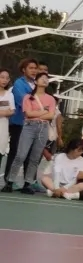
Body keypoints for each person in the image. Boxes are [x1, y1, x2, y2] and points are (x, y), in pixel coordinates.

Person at [8, 72, 57, 193]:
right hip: (29, 127)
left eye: (46, 78)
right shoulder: (28, 97)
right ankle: (10, 181)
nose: (45, 80)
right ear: (36, 82)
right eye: (42, 78)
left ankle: (27, 183)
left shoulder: (51, 99)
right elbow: (28, 114)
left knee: (35, 157)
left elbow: (51, 115)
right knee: (21, 155)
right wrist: (44, 111)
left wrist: (38, 114)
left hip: (43, 128)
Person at [2, 58, 38, 190]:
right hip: (19, 123)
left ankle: (28, 183)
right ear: (24, 70)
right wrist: (38, 106)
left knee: (31, 154)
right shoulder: (19, 83)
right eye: (31, 68)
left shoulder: (37, 84)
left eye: (35, 68)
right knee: (16, 152)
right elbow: (23, 101)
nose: (34, 71)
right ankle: (9, 180)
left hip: (34, 123)